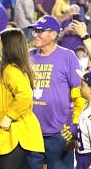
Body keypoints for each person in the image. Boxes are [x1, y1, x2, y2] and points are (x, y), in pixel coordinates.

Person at [25, 15, 84, 169]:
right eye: (34, 31)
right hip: (31, 131)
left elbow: (79, 95)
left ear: (53, 34)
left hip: (59, 132)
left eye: (40, 31)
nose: (35, 34)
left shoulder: (68, 56)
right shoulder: (28, 56)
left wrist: (75, 123)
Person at [0, 28, 44, 169]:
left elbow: (25, 95)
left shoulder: (11, 70)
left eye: (0, 42)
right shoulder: (10, 69)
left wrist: (9, 116)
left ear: (8, 46)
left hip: (15, 137)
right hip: (10, 137)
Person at [73, 70, 91, 169]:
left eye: (82, 85)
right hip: (81, 157)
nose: (79, 87)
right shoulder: (85, 106)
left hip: (87, 159)